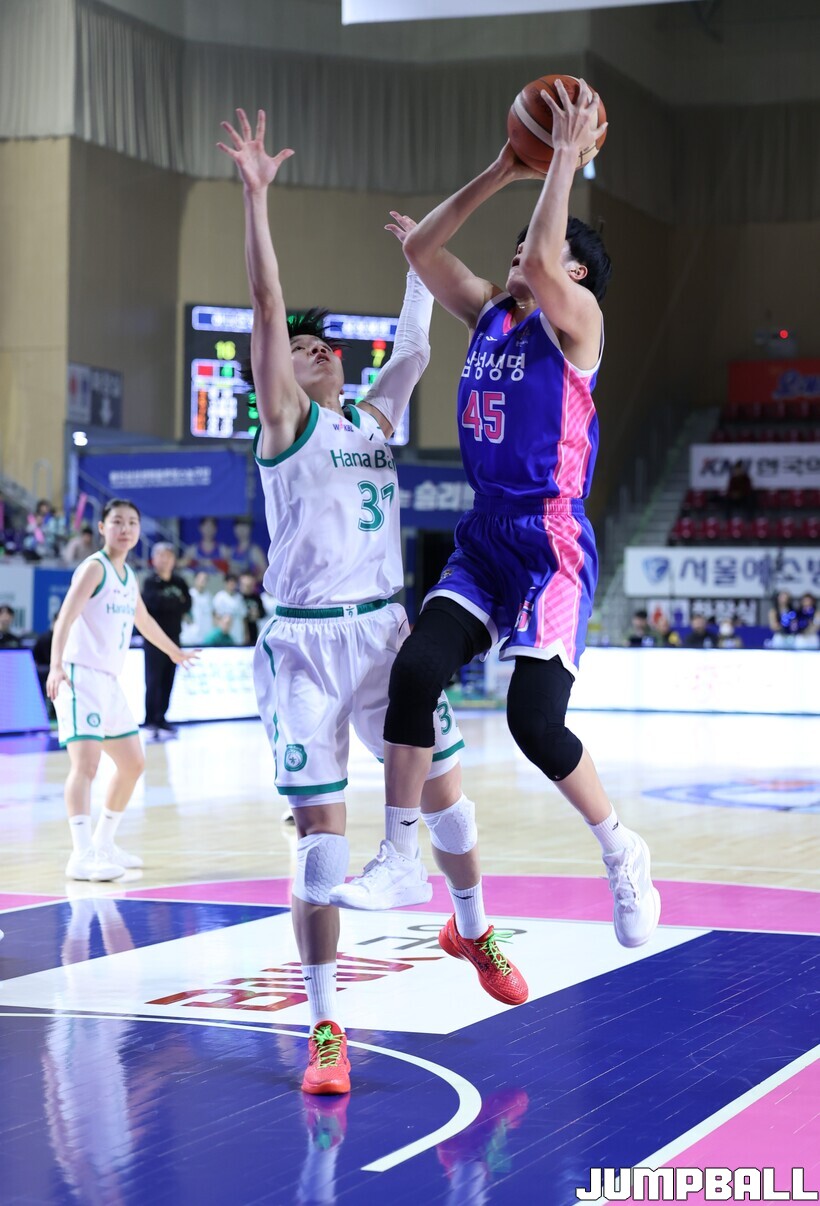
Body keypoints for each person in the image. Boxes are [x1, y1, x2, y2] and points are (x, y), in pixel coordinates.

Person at [217, 106, 525, 1097]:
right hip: (305, 649)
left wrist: (416, 268)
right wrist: (257, 199)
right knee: (321, 851)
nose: (312, 351)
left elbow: (417, 350)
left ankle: (471, 931)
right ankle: (324, 1028)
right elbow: (266, 302)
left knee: (450, 807)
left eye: (322, 346)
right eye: (300, 347)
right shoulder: (283, 423)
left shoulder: (372, 419)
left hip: (385, 637)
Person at [340, 80, 660, 959]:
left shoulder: (578, 324)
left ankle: (621, 851)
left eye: (539, 248)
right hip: (485, 538)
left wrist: (565, 160)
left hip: (550, 543)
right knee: (416, 672)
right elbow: (422, 251)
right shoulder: (489, 314)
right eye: (518, 246)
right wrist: (504, 167)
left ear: (576, 272)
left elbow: (548, 261)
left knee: (533, 723)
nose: (522, 252)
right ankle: (398, 857)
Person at [46, 499, 198, 881]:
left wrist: (174, 651)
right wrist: (56, 665)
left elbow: (143, 621)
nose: (125, 529)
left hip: (108, 681)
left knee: (133, 764)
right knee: (86, 766)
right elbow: (65, 617)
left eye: (132, 523)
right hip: (80, 676)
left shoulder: (127, 575)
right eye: (117, 522)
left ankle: (103, 843)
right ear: (102, 527)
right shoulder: (94, 568)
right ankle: (81, 854)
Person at [141, 542, 193, 739]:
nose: (165, 560)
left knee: (168, 679)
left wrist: (169, 604)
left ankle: (162, 718)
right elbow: (152, 604)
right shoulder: (150, 582)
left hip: (174, 637)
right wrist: (174, 603)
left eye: (168, 556)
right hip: (154, 640)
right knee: (152, 680)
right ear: (154, 559)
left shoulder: (179, 582)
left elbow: (187, 604)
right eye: (161, 556)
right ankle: (150, 721)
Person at [181, 571, 214, 646]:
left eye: (205, 579)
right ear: (195, 579)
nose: (202, 581)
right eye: (200, 578)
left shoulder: (209, 596)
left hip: (206, 634)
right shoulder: (189, 594)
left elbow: (212, 614)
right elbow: (183, 613)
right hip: (191, 635)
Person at [212, 573, 246, 645]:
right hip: (224, 634)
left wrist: (246, 634)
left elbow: (243, 618)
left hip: (238, 632)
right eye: (230, 582)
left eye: (234, 582)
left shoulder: (239, 598)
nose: (232, 584)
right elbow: (216, 617)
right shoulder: (219, 597)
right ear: (225, 583)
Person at [238, 571, 266, 645]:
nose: (248, 587)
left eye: (250, 585)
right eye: (246, 585)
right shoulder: (237, 597)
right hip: (240, 631)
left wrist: (257, 614)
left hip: (255, 630)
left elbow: (263, 613)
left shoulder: (257, 597)